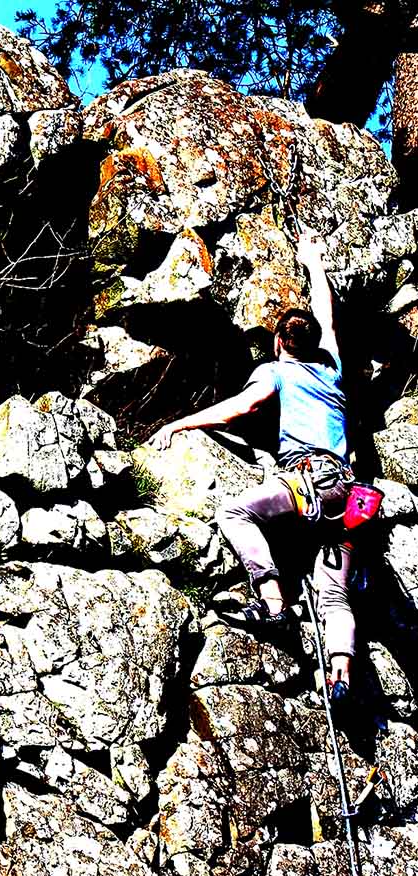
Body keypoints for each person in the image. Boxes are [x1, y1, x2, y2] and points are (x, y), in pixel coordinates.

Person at [147, 232, 355, 701]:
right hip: (346, 496)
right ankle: (342, 678)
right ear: (315, 343)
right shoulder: (333, 368)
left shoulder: (277, 371)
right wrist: (313, 259)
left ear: (279, 341)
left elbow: (241, 408)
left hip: (306, 481)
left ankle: (274, 603)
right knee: (335, 595)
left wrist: (178, 425)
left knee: (235, 512)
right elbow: (327, 315)